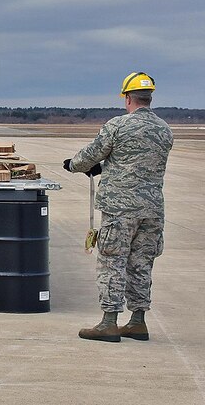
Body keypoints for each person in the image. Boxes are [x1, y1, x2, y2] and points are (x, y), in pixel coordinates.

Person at [63, 71, 173, 342]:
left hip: (121, 210)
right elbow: (138, 161)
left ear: (127, 98)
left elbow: (90, 155)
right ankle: (137, 321)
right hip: (152, 211)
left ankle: (109, 322)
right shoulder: (164, 130)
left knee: (112, 261)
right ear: (150, 98)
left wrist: (74, 165)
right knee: (141, 264)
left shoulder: (119, 125)